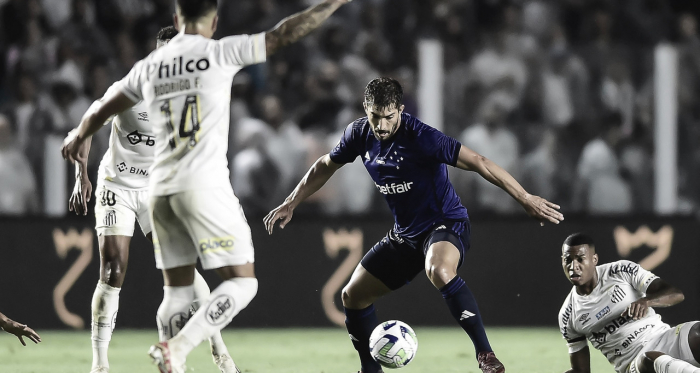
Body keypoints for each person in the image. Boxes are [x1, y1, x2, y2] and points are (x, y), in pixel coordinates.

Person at [61, 1, 351, 372]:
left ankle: (188, 356)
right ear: (214, 21)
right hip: (196, 184)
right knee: (243, 284)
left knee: (178, 287)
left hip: (160, 188)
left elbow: (94, 114)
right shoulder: (219, 54)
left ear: (177, 20)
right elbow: (283, 33)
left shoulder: (147, 70)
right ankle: (167, 352)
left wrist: (78, 137)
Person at [264, 77, 564, 373]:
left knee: (439, 270)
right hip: (405, 236)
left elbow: (479, 161)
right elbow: (324, 165)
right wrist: (292, 201)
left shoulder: (422, 137)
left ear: (401, 110)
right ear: (365, 109)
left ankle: (485, 355)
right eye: (375, 117)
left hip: (445, 223)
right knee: (352, 297)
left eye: (388, 117)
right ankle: (370, 371)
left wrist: (524, 197)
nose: (381, 125)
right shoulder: (358, 134)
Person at [68, 26, 239, 373]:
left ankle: (220, 350)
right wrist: (79, 175)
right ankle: (100, 365)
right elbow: (88, 124)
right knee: (114, 269)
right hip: (117, 184)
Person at [558, 233, 700, 373]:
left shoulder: (621, 270)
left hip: (664, 337)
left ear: (594, 259)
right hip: (634, 362)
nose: (573, 266)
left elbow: (676, 294)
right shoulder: (567, 315)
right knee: (649, 359)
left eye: (580, 259)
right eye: (568, 260)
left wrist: (647, 301)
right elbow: (580, 370)